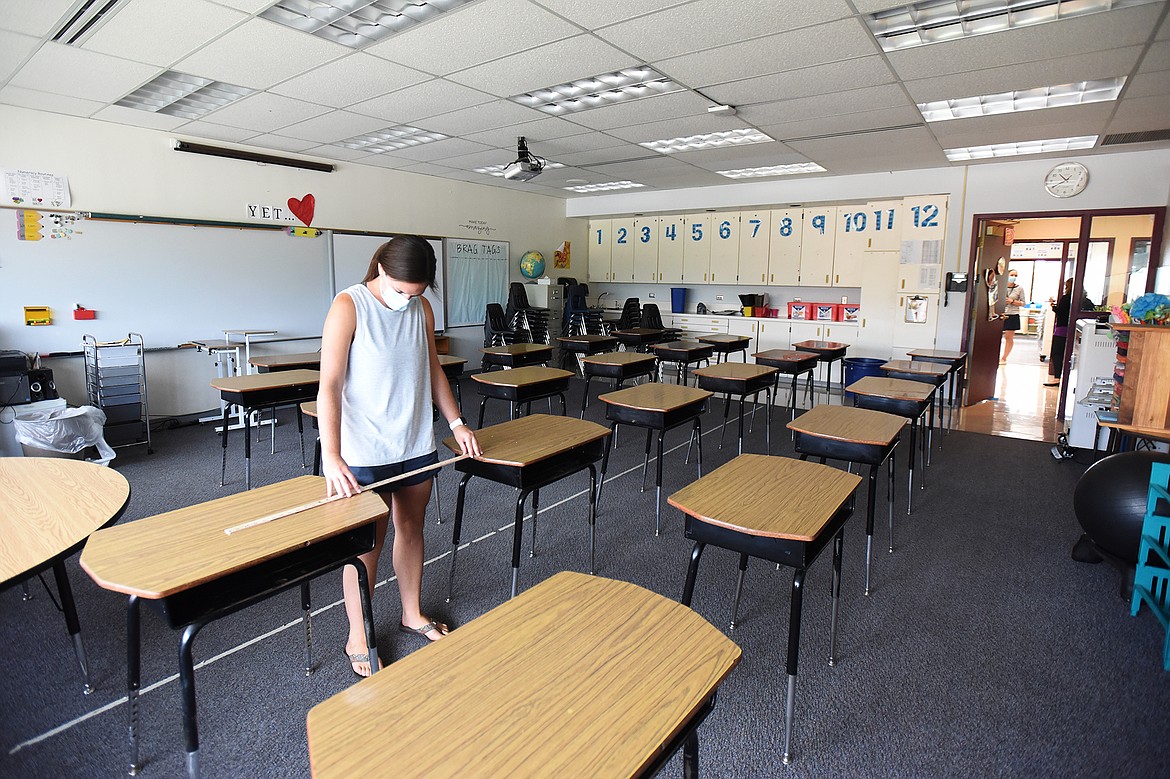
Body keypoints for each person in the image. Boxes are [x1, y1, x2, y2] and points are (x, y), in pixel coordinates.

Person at [318, 235, 481, 677]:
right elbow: (329, 385)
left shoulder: (421, 310)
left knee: (412, 529)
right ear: (381, 271)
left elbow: (432, 370)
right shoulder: (348, 306)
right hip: (362, 452)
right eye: (400, 290)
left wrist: (456, 423)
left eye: (417, 293)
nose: (406, 300)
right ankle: (359, 634)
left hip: (414, 444)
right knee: (365, 548)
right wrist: (331, 455)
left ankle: (411, 612)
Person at [1045, 278, 1094, 387]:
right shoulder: (1085, 300)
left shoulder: (1067, 298)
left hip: (1062, 329)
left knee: (1057, 353)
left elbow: (1061, 313)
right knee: (1072, 354)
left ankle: (1057, 378)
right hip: (1078, 331)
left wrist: (1053, 306)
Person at [1000, 270, 1026, 363]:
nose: (1014, 277)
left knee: (1009, 337)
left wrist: (1012, 301)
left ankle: (1004, 358)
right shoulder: (1000, 286)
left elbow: (1023, 303)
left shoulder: (1019, 288)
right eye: (1012, 275)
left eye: (1016, 275)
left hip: (1013, 314)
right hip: (1000, 313)